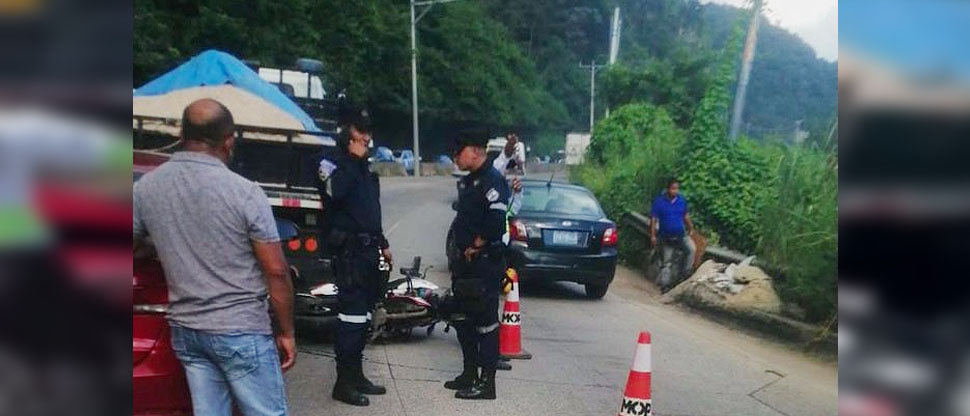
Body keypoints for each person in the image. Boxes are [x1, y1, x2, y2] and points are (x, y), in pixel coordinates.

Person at [133, 99, 296, 416]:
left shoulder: (147, 188)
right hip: (240, 328)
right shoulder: (245, 192)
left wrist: (160, 244)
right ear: (229, 140)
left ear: (181, 134)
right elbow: (276, 272)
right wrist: (287, 332)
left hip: (188, 331)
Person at [315, 103, 391, 406]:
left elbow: (370, 210)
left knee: (363, 318)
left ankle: (357, 376)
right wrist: (351, 160)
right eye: (361, 131)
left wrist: (383, 242)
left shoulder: (363, 165)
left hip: (369, 251)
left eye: (368, 132)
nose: (366, 138)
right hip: (349, 254)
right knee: (351, 318)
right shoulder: (330, 161)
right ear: (346, 132)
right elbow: (334, 192)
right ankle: (343, 383)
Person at [445, 129, 511, 400]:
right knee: (464, 320)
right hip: (464, 265)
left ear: (474, 151)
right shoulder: (469, 181)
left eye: (458, 153)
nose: (455, 159)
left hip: (483, 264)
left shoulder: (492, 181)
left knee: (485, 324)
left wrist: (478, 243)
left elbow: (496, 222)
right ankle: (469, 373)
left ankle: (487, 383)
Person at [650, 177, 697, 294]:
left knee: (691, 249)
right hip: (666, 236)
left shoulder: (681, 201)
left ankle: (685, 274)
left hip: (681, 235)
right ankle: (665, 286)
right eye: (673, 188)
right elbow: (654, 219)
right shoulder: (659, 202)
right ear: (668, 189)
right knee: (667, 261)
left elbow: (685, 216)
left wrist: (691, 228)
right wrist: (653, 235)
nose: (675, 191)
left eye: (677, 189)